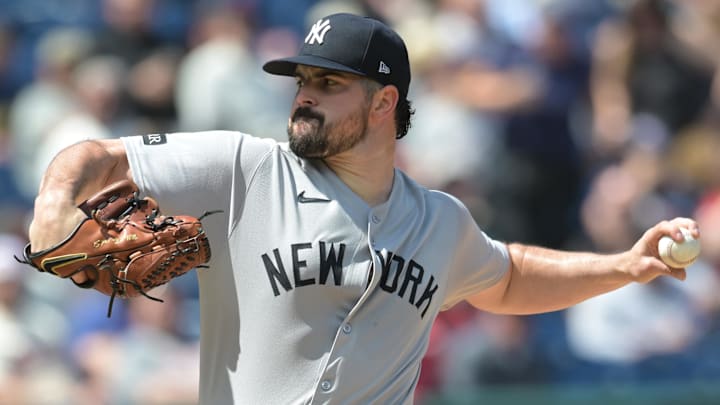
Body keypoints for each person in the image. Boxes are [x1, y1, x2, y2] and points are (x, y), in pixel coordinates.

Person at [26, 13, 699, 404]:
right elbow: (96, 156)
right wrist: (55, 206)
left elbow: (511, 277)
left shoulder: (440, 221)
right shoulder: (245, 168)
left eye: (328, 82)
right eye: (302, 81)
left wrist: (624, 264)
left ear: (384, 102)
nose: (304, 95)